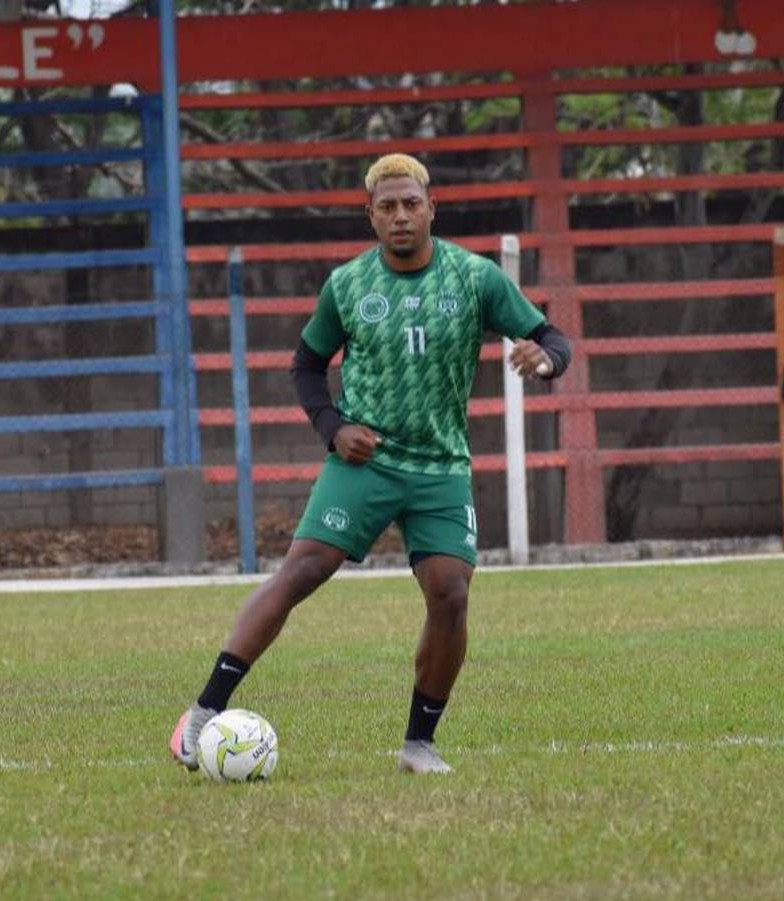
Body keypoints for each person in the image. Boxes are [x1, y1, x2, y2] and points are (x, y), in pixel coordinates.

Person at [170, 153, 571, 775]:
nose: (401, 216)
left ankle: (418, 744)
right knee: (302, 572)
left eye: (412, 203)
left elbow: (554, 339)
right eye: (387, 207)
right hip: (367, 464)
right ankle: (201, 714)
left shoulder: (474, 277)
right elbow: (306, 365)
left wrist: (541, 361)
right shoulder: (348, 285)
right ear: (371, 216)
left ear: (431, 207)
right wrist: (333, 429)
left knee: (451, 593)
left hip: (440, 466)